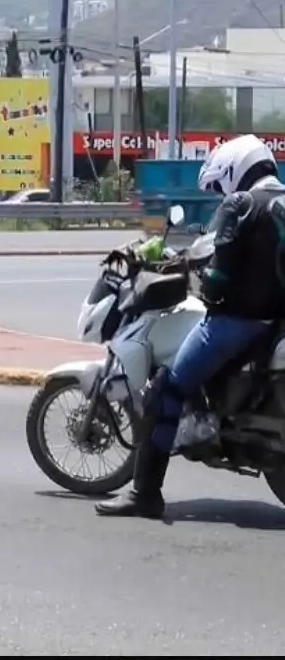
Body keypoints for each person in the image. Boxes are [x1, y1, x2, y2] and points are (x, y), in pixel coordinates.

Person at [96, 134, 285, 519]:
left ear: (234, 170)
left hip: (238, 323)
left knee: (166, 389)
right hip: (275, 321)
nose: (220, 194)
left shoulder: (242, 204)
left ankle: (145, 494)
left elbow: (219, 278)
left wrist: (205, 285)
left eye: (220, 185)